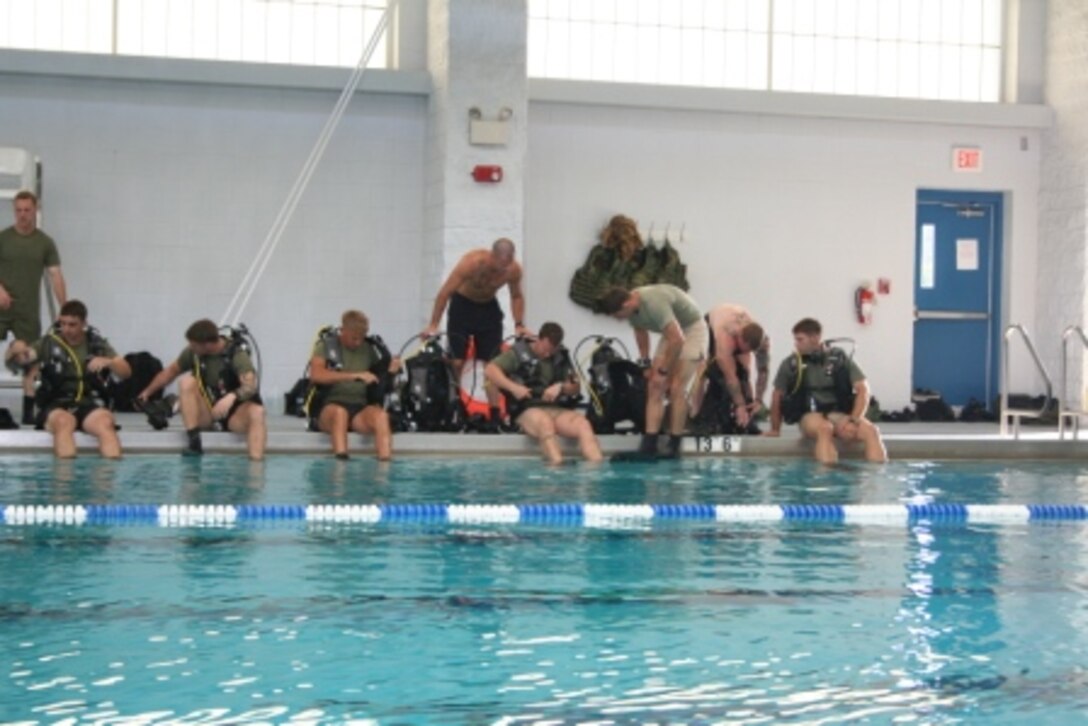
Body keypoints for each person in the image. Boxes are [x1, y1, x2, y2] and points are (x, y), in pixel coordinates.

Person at [422, 238, 528, 426]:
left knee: (493, 364)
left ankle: (495, 414)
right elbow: (444, 293)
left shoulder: (514, 270)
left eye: (506, 266)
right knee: (457, 361)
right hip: (462, 306)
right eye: (499, 266)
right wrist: (433, 324)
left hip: (488, 309)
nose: (502, 271)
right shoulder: (471, 263)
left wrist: (519, 324)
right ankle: (457, 407)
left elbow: (517, 296)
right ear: (492, 256)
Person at [4, 300, 129, 458]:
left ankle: (108, 476)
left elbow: (126, 372)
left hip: (86, 402)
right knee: (65, 422)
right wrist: (13, 351)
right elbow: (22, 360)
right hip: (56, 404)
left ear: (84, 323)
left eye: (72, 324)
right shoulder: (48, 343)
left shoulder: (96, 344)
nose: (66, 329)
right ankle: (65, 478)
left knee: (105, 423)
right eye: (63, 323)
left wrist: (109, 362)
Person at [595, 284, 708, 460]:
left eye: (618, 316)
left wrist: (663, 370)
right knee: (655, 386)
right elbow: (640, 332)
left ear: (626, 305)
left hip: (691, 328)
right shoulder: (632, 310)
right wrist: (645, 363)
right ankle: (649, 445)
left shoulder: (654, 302)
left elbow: (678, 340)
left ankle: (674, 445)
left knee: (677, 387)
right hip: (671, 333)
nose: (618, 320)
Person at [137, 319, 266, 460]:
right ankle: (194, 443)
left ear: (208, 345)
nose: (190, 347)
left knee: (257, 412)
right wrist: (147, 392)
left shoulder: (237, 354)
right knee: (187, 382)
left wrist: (231, 397)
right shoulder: (194, 353)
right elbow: (170, 372)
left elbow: (250, 386)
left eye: (193, 345)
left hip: (235, 413)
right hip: (209, 412)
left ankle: (256, 467)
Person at [765, 317, 887, 464]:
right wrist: (775, 429)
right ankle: (827, 477)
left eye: (800, 340)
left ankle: (875, 478)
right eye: (796, 340)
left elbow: (863, 389)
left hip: (839, 414)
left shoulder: (839, 359)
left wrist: (853, 420)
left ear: (815, 338)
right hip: (810, 415)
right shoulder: (790, 364)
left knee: (871, 431)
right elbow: (777, 396)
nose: (796, 344)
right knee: (825, 429)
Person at [485, 322, 602, 465]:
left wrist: (561, 386)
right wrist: (513, 387)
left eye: (551, 351)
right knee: (545, 424)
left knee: (584, 425)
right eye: (545, 349)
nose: (547, 354)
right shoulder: (518, 353)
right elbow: (490, 370)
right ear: (539, 339)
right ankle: (556, 470)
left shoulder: (561, 356)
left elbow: (575, 386)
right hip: (528, 409)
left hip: (556, 409)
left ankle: (596, 473)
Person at [0, 190, 68, 425]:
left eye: (27, 210)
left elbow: (55, 275)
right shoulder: (3, 238)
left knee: (30, 359)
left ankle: (29, 411)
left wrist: (65, 309)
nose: (23, 215)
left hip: (27, 310)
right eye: (18, 210)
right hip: (1, 306)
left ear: (35, 210)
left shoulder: (44, 243)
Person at [308, 309, 401, 461]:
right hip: (330, 407)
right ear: (343, 330)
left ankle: (385, 468)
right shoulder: (326, 346)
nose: (357, 342)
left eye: (361, 338)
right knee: (340, 414)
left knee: (382, 417)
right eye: (353, 338)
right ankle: (341, 466)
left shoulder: (369, 349)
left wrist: (391, 371)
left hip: (359, 409)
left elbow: (381, 384)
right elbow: (316, 375)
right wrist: (353, 375)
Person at [692, 303, 770, 432]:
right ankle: (697, 416)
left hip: (737, 326)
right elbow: (730, 377)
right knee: (705, 371)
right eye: (741, 348)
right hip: (710, 325)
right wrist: (739, 405)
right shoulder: (726, 334)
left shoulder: (763, 343)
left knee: (745, 371)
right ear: (739, 338)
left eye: (748, 351)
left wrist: (758, 399)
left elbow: (763, 371)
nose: (741, 352)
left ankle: (747, 419)